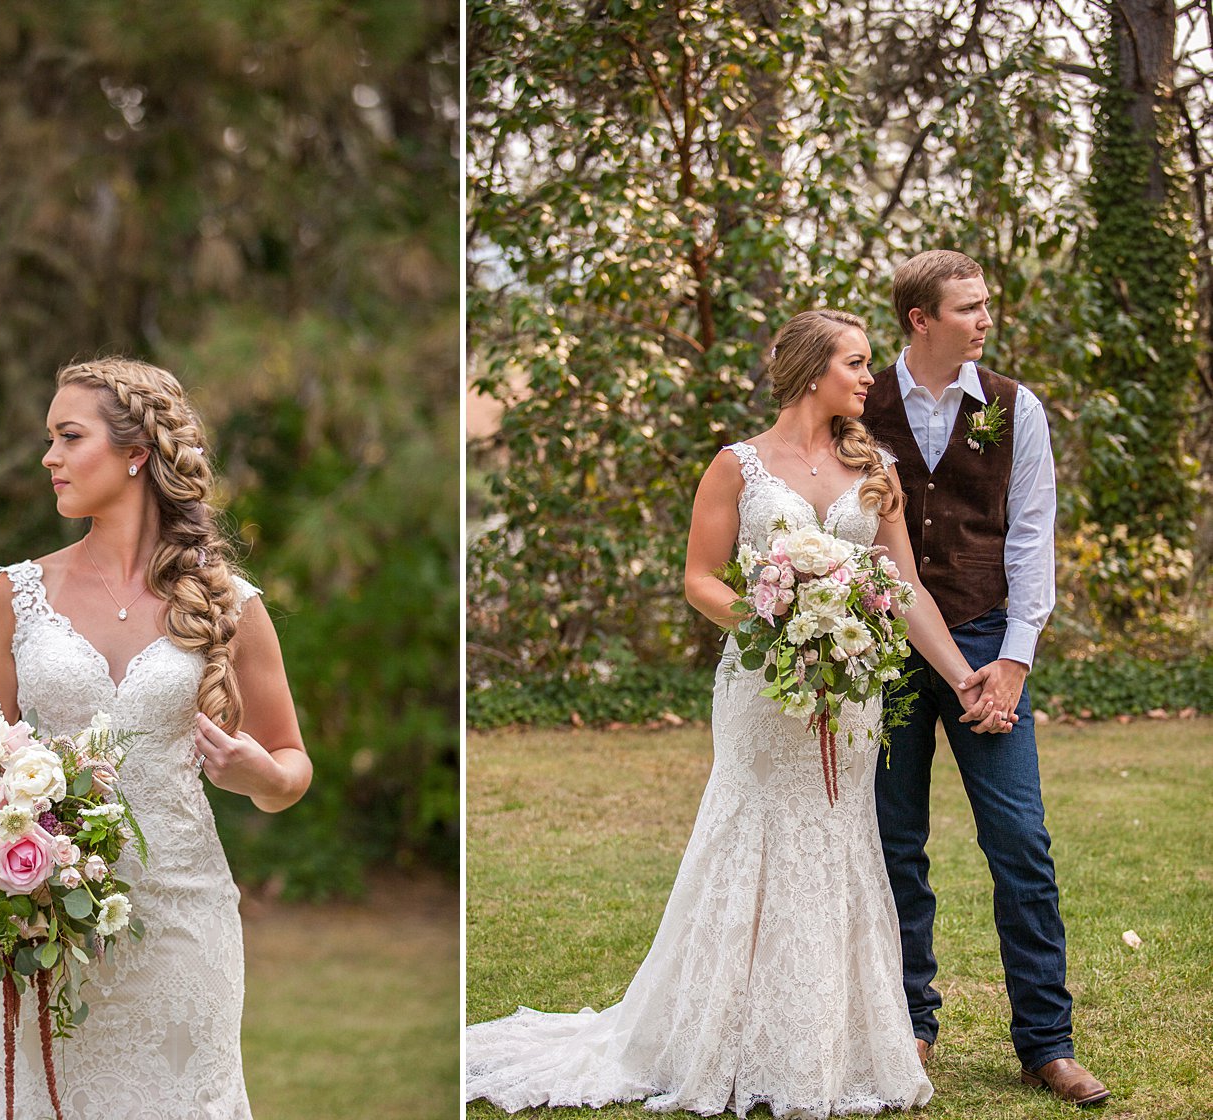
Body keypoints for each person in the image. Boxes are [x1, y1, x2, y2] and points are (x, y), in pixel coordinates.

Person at [466, 310, 988, 1117]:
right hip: (762, 688)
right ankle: (725, 1036)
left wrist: (959, 676)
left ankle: (823, 1043)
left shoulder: (876, 466)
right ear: (815, 370)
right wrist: (776, 625)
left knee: (838, 839)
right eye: (855, 363)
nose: (869, 378)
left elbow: (905, 587)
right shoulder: (738, 467)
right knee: (754, 834)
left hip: (850, 690)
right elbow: (702, 579)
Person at [0, 357, 313, 1119]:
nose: (48, 457)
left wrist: (260, 775)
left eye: (67, 436)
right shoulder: (14, 596)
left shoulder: (228, 603)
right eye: (49, 439)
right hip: (48, 927)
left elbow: (292, 767)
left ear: (136, 453)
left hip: (183, 921)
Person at [863, 250, 1109, 1107]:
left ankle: (1047, 1041)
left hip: (987, 643)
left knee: (1022, 847)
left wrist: (1011, 659)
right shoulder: (857, 404)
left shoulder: (1016, 407)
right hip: (881, 653)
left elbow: (1031, 535)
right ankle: (907, 1026)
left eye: (986, 306)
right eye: (969, 308)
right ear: (920, 319)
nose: (986, 320)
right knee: (894, 845)